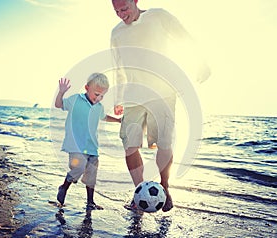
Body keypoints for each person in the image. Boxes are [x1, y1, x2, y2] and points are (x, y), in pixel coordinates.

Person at [110, 0, 210, 212]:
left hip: (162, 91)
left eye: (124, 8)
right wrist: (118, 98)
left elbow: (184, 37)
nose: (120, 14)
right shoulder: (116, 33)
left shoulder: (158, 16)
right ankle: (140, 193)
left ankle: (164, 188)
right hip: (133, 95)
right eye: (116, 10)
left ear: (135, 1)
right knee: (129, 146)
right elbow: (118, 66)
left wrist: (200, 63)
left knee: (163, 144)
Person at [55, 73, 121, 210]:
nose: (98, 98)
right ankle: (64, 187)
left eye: (102, 96)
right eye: (96, 94)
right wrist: (61, 92)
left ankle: (90, 202)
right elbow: (59, 104)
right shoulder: (75, 100)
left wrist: (118, 120)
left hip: (92, 146)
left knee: (91, 175)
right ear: (86, 88)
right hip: (75, 145)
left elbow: (104, 117)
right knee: (78, 168)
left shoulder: (99, 107)